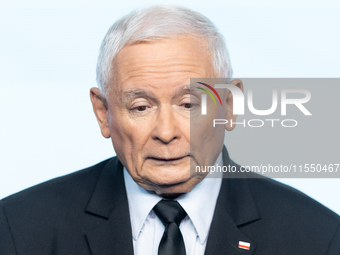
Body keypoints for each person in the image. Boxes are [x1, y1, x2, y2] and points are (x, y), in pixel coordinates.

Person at [0, 5, 339, 255]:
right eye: (141, 107)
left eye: (189, 105)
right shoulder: (18, 229)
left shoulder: (318, 237)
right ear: (103, 113)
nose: (166, 132)